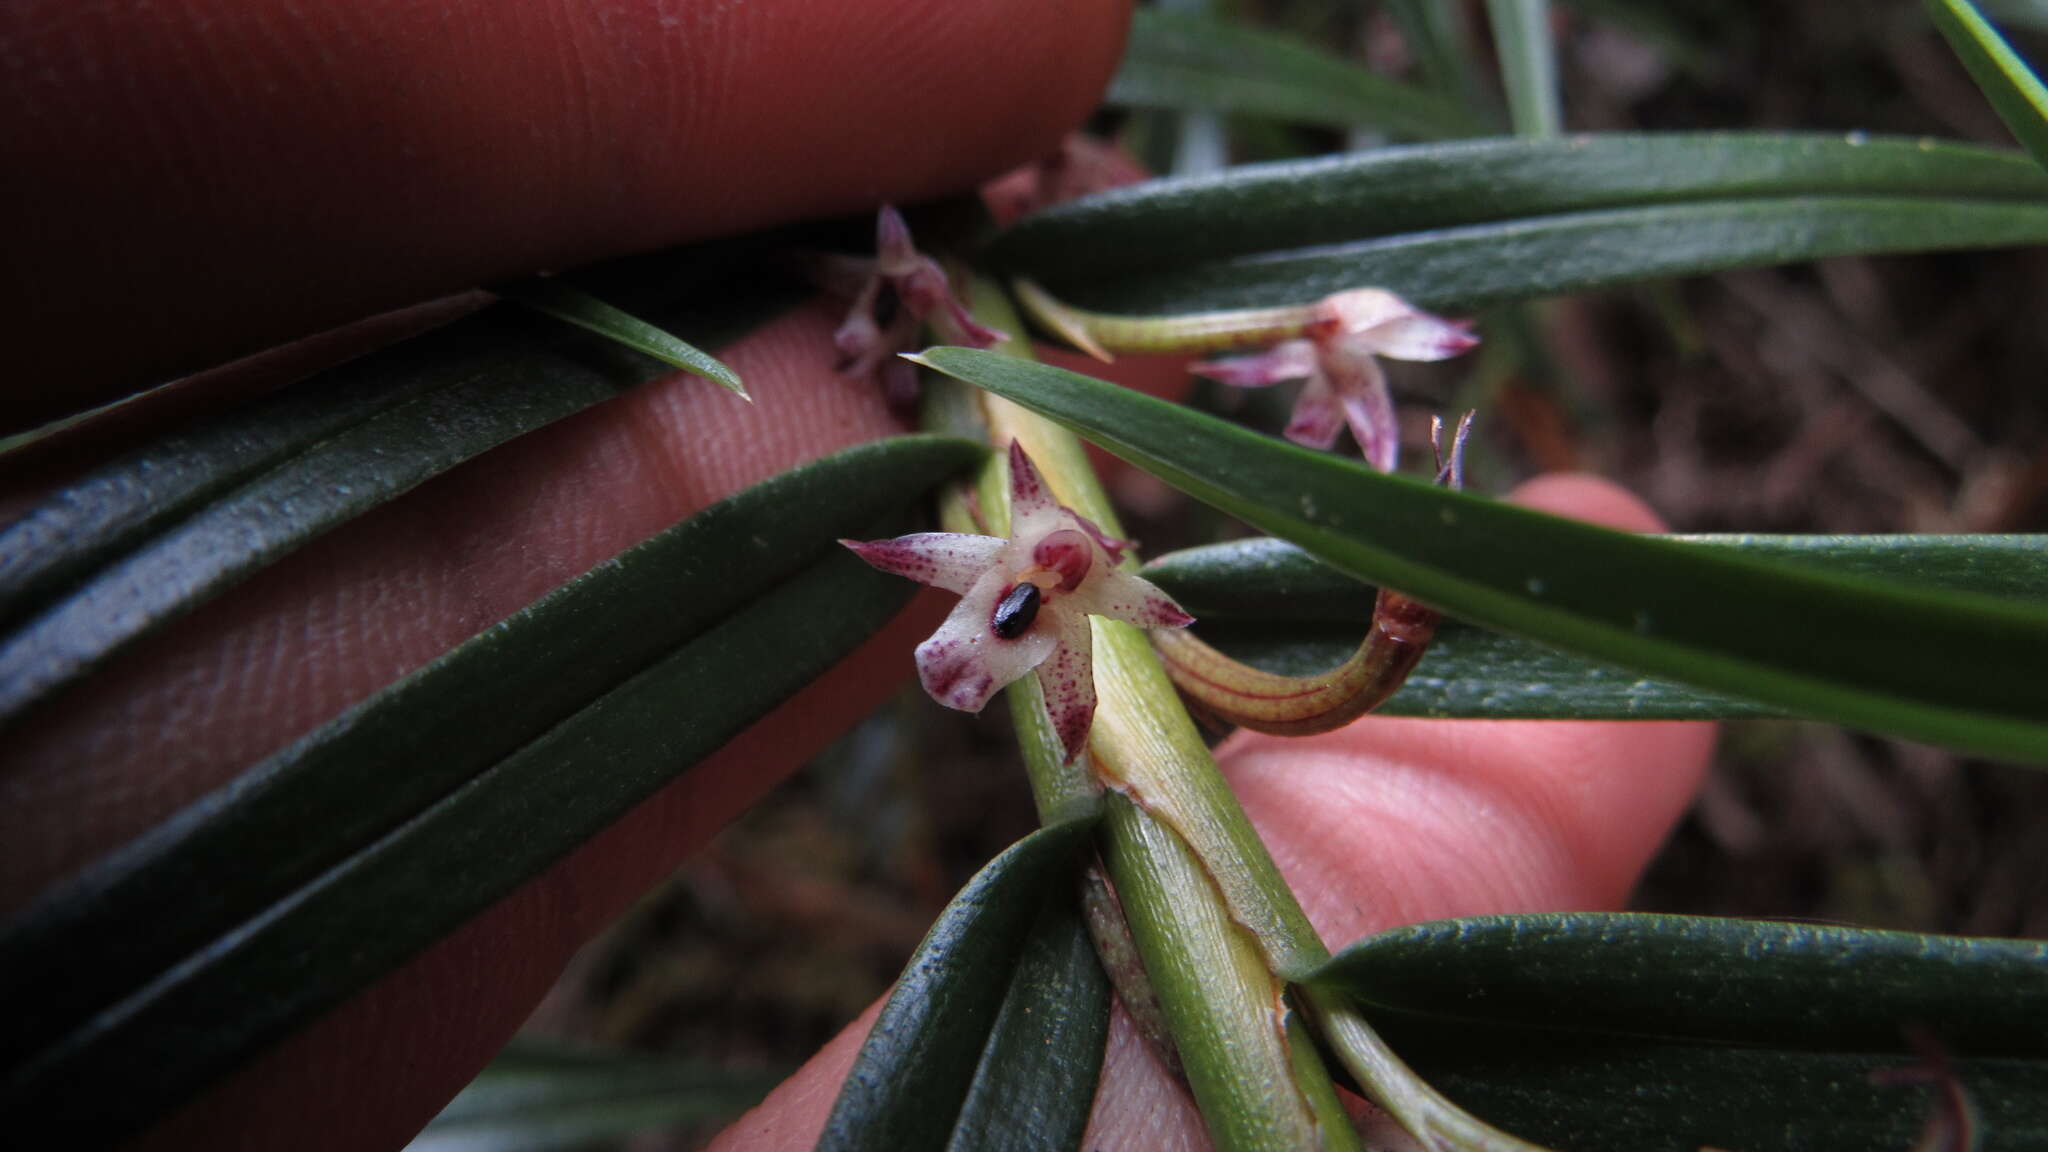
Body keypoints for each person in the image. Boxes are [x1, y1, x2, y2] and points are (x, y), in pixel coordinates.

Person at [0, 1, 1713, 1147]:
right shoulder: (1024, 557)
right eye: (1037, 573)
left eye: (1047, 575)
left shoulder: (1058, 586)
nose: (1036, 585)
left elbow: (1054, 596)